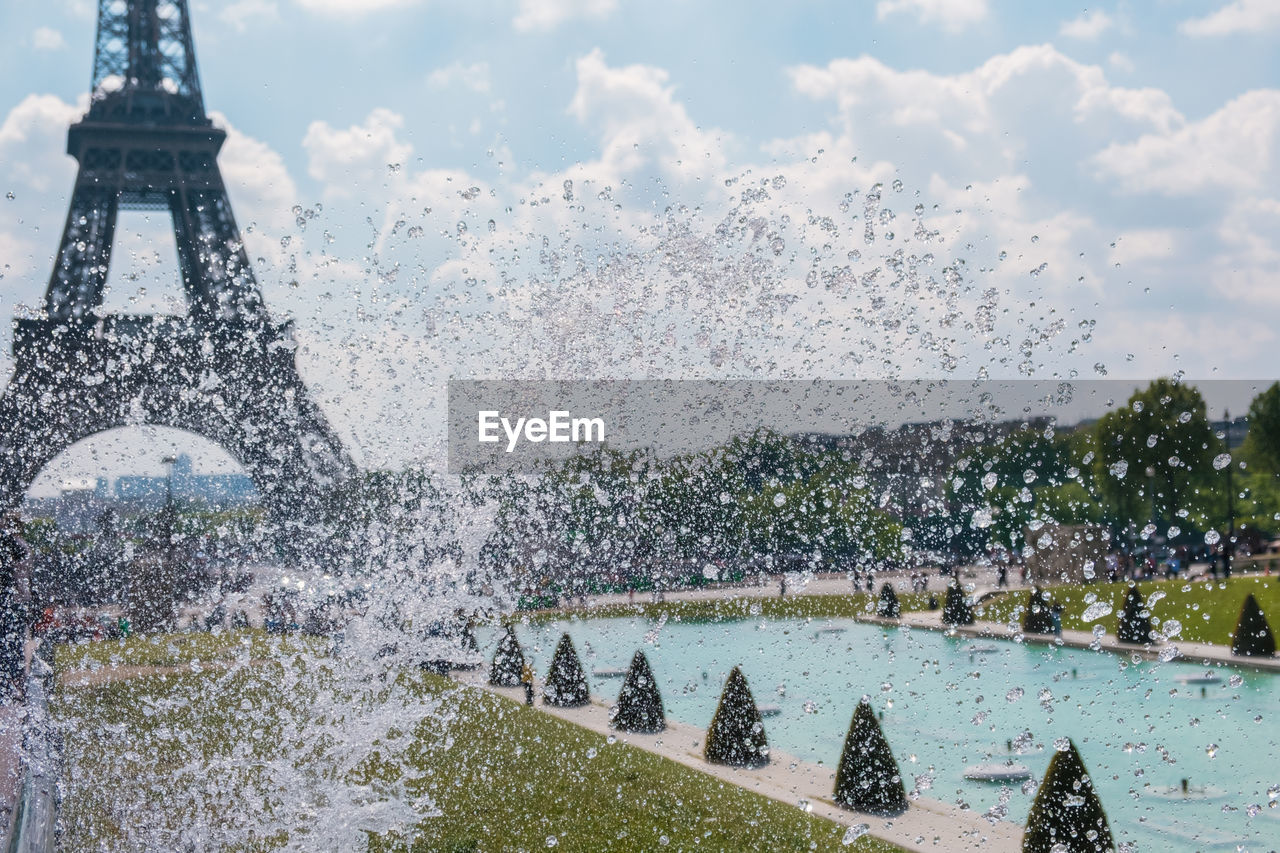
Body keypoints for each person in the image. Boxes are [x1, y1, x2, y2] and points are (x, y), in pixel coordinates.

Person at [0, 512, 32, 703]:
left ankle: (7, 684)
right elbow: (22, 558)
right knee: (10, 641)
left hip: (10, 597)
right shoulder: (10, 540)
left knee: (8, 641)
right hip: (11, 598)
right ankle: (14, 684)